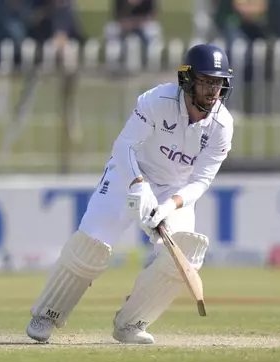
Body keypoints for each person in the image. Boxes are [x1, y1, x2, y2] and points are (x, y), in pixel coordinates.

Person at [26, 43, 235, 345]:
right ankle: (46, 313)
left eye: (217, 82)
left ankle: (131, 323)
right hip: (129, 173)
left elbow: (201, 180)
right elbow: (123, 147)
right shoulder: (157, 100)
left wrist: (168, 206)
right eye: (205, 81)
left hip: (174, 190)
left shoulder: (222, 125)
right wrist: (139, 184)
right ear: (187, 79)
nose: (212, 90)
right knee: (93, 244)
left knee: (185, 253)